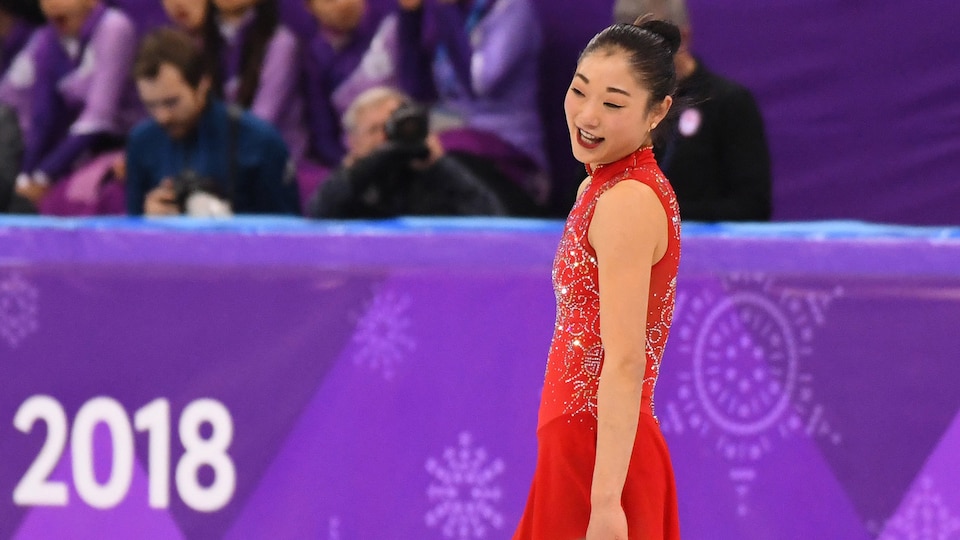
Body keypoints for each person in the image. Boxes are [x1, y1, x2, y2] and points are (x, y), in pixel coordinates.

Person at [513, 18, 682, 540]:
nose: (586, 116)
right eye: (579, 90)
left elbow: (625, 357)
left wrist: (605, 500)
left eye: (612, 104)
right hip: (574, 441)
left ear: (657, 112)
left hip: (598, 456)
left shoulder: (628, 200)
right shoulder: (600, 185)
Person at [614, 0, 772, 222]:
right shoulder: (616, 105)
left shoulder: (729, 103)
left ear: (683, 37)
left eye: (648, 49)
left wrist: (662, 215)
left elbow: (752, 206)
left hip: (705, 252)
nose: (637, 61)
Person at [125, 27, 299, 216]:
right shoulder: (141, 142)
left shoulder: (260, 142)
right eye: (151, 105)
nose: (162, 116)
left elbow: (287, 231)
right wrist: (147, 219)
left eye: (172, 102)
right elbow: (130, 229)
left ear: (202, 86)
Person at [394, 0, 549, 204]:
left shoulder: (510, 8)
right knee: (393, 154)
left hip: (507, 149)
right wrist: (411, 17)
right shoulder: (451, 11)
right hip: (449, 134)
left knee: (432, 160)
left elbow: (480, 83)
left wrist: (447, 10)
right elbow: (416, 90)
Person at [1, 0, 142, 209]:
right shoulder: (48, 37)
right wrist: (25, 177)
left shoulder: (114, 27)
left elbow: (98, 117)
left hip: (125, 146)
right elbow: (42, 114)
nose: (52, 5)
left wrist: (43, 176)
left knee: (63, 202)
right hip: (82, 153)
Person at [306, 85, 524, 218]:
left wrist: (438, 166)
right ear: (353, 142)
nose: (385, 138)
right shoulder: (353, 181)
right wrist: (370, 165)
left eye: (392, 128)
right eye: (374, 130)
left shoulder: (436, 172)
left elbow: (492, 219)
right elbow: (320, 212)